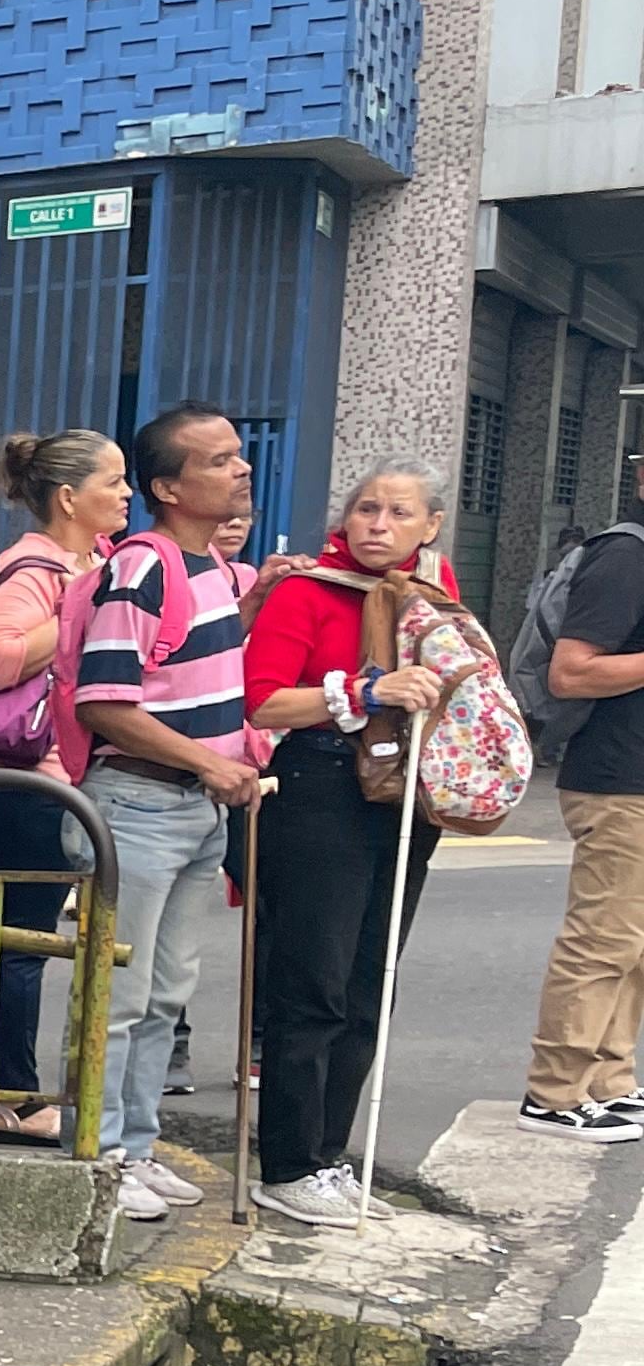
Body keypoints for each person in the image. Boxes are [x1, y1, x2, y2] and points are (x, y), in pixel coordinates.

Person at [238, 465, 467, 1221]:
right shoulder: (306, 591)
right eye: (366, 508)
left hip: (404, 793)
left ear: (430, 525)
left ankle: (329, 1158)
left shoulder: (434, 597)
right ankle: (288, 1165)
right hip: (319, 785)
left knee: (372, 981)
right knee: (315, 980)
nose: (379, 524)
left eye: (399, 512)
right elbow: (264, 702)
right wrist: (365, 692)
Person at [69, 403, 267, 1219]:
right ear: (168, 488)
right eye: (217, 460)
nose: (240, 468)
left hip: (194, 810)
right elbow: (103, 702)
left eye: (236, 455)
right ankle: (99, 1156)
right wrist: (209, 763)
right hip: (139, 805)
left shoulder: (213, 569)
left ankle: (137, 1149)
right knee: (117, 995)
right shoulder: (142, 571)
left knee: (163, 993)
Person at [0, 428, 127, 1146]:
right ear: (68, 498)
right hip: (19, 788)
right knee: (23, 942)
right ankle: (11, 1099)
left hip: (54, 784)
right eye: (112, 481)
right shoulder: (31, 566)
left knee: (25, 938)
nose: (126, 493)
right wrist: (80, 610)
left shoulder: (98, 562)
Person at [524, 446, 644, 1141]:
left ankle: (609, 1078)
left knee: (633, 944)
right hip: (617, 778)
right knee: (604, 939)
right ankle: (554, 1091)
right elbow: (571, 673)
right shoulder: (624, 556)